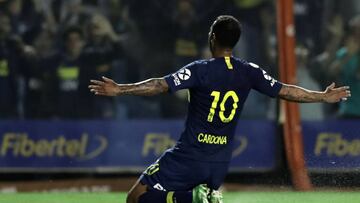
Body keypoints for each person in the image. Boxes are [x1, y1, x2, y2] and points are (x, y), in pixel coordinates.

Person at [89, 15, 351, 203]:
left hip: (189, 157)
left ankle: (192, 197)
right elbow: (286, 91)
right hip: (220, 162)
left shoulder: (200, 69)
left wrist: (120, 89)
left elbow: (159, 85)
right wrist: (322, 96)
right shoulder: (249, 71)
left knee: (136, 198)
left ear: (212, 37)